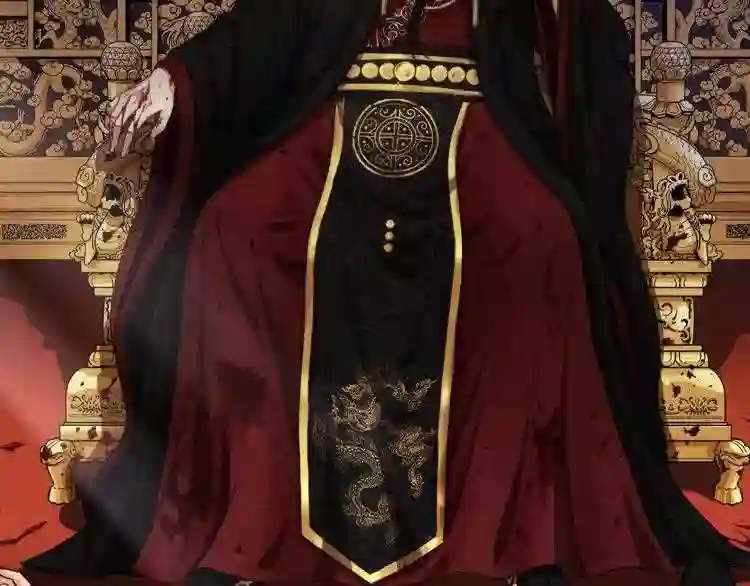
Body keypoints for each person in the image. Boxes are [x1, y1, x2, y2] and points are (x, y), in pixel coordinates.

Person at [2, 1, 748, 585]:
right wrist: (178, 78)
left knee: (541, 239)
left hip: (480, 117)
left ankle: (521, 529)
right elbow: (266, 25)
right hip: (333, 117)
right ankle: (250, 517)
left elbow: (582, 33)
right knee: (234, 227)